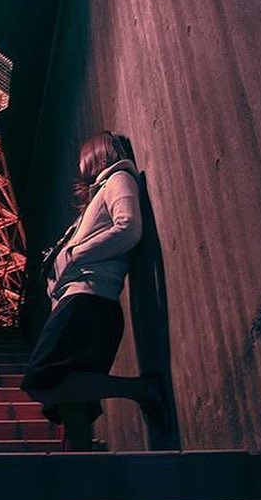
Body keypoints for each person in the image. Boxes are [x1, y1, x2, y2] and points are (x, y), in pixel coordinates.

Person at [21, 131, 168, 451]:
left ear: (97, 154)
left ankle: (142, 389)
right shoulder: (93, 200)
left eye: (82, 157)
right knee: (69, 403)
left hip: (88, 299)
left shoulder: (117, 179)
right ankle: (85, 466)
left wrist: (75, 254)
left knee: (42, 382)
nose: (79, 165)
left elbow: (128, 228)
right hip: (76, 302)